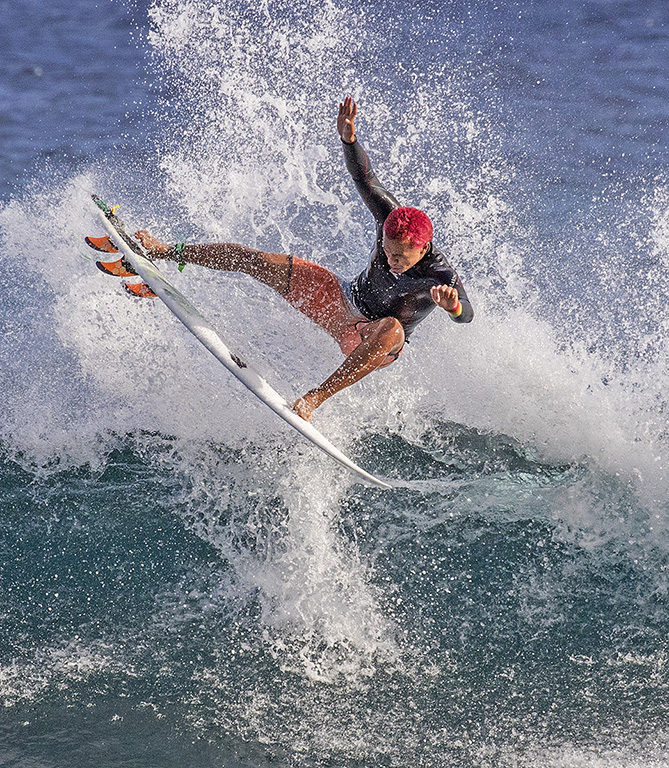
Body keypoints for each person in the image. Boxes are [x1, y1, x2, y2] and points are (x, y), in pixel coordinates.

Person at [99, 97, 474, 421]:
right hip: (341, 302)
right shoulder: (389, 218)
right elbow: (366, 178)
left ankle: (314, 399)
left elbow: (467, 314)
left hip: (371, 341)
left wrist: (454, 309)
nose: (392, 261)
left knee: (392, 327)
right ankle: (165, 251)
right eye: (388, 253)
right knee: (257, 260)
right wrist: (349, 139)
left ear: (423, 248)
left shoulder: (440, 275)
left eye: (401, 258)